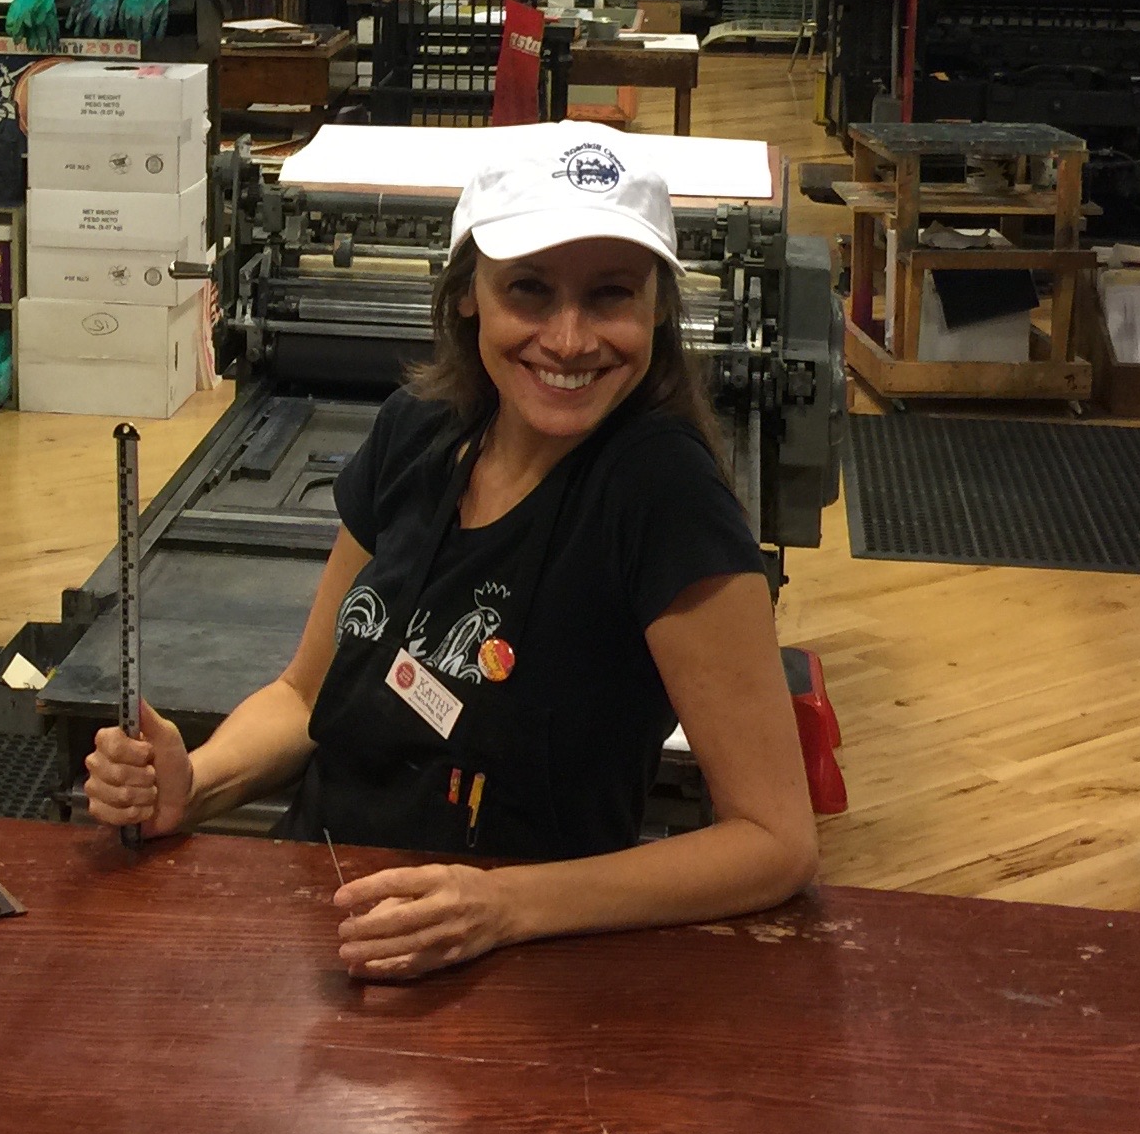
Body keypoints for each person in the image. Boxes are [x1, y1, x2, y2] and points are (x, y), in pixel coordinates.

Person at [82, 128, 819, 982]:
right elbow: (302, 695)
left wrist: (503, 907)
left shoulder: (663, 497)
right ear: (471, 294)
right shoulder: (417, 435)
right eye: (530, 292)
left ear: (656, 305)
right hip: (330, 923)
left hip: (517, 976)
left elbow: (773, 842)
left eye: (610, 295)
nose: (571, 339)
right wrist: (194, 784)